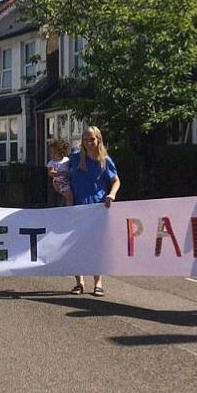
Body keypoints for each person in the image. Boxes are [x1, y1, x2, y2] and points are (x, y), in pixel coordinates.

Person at [68, 125, 120, 297]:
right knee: (76, 247)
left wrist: (111, 194)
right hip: (77, 208)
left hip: (97, 209)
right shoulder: (75, 158)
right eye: (85, 139)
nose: (88, 142)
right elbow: (61, 175)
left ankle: (98, 283)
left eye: (91, 139)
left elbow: (116, 181)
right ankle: (79, 282)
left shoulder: (105, 160)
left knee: (96, 248)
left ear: (98, 139)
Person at [46, 138, 74, 206]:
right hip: (59, 182)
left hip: (68, 180)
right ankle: (68, 208)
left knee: (69, 194)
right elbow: (50, 173)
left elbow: (71, 167)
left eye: (55, 152)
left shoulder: (67, 160)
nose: (52, 155)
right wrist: (60, 173)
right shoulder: (52, 162)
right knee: (68, 195)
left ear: (62, 152)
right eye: (51, 153)